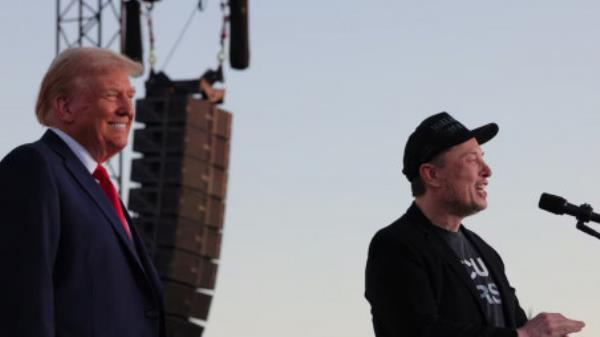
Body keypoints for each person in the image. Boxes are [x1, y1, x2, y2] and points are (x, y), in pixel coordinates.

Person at [365, 112, 585, 337]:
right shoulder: (396, 245)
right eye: (472, 160)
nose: (487, 170)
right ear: (432, 175)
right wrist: (525, 335)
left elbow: (516, 326)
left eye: (483, 157)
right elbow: (420, 331)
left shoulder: (486, 252)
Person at [0, 47, 165, 337]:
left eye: (130, 96)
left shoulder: (98, 187)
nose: (128, 110)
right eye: (112, 95)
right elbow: (22, 302)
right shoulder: (35, 167)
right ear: (64, 107)